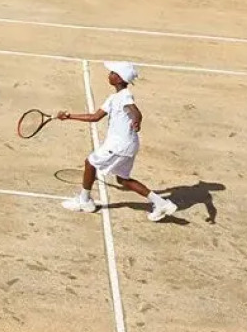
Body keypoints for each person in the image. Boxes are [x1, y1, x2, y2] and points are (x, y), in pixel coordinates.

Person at [57, 62, 178, 221]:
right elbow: (95, 117)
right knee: (123, 180)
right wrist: (69, 116)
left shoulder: (124, 95)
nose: (109, 74)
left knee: (90, 163)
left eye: (113, 72)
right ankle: (161, 203)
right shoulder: (114, 98)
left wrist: (137, 121)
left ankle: (85, 201)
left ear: (119, 79)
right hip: (128, 145)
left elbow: (136, 112)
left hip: (119, 145)